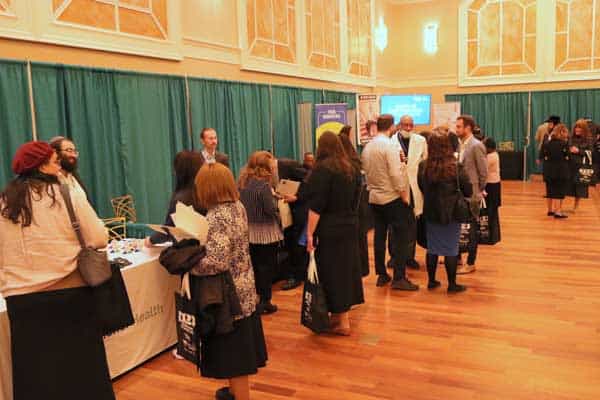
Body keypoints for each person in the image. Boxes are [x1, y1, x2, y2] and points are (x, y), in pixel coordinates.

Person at [1, 142, 113, 399]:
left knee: (35, 375)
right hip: (69, 294)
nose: (60, 166)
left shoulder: (5, 203)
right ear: (41, 166)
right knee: (83, 372)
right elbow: (98, 237)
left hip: (21, 301)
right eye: (55, 161)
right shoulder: (66, 194)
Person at [192, 162, 267, 400]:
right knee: (239, 350)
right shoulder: (238, 206)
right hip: (245, 286)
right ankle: (234, 392)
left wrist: (190, 265)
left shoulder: (216, 216)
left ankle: (241, 396)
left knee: (235, 356)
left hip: (229, 294)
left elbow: (217, 261)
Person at [306, 131, 364, 335]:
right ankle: (340, 317)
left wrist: (309, 234)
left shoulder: (322, 170)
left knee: (331, 272)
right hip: (349, 225)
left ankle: (342, 321)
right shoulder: (351, 168)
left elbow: (317, 206)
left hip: (329, 227)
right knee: (345, 271)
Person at [362, 114, 418, 290]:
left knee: (379, 236)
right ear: (392, 126)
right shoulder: (390, 145)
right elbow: (395, 174)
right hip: (391, 198)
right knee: (401, 237)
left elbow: (366, 171)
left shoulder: (368, 147)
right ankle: (399, 277)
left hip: (374, 198)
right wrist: (404, 195)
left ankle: (381, 274)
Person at [418, 130, 471, 293]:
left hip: (431, 212)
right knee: (451, 249)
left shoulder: (423, 166)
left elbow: (421, 186)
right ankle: (452, 284)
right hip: (452, 213)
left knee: (432, 248)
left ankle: (431, 281)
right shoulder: (456, 167)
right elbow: (468, 190)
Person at [239, 151, 283, 315]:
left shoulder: (243, 182)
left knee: (255, 267)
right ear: (265, 166)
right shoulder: (264, 186)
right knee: (267, 268)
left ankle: (256, 299)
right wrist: (277, 201)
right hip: (266, 233)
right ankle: (265, 301)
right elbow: (270, 210)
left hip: (249, 231)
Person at [390, 115, 428, 270]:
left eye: (411, 125)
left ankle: (409, 257)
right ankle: (394, 256)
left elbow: (425, 163)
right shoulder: (391, 141)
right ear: (399, 125)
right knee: (395, 225)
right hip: (396, 189)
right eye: (405, 125)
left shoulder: (421, 141)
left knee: (412, 225)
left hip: (415, 188)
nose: (408, 128)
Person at [145, 150, 205, 244]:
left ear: (179, 171)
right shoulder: (207, 194)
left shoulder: (180, 199)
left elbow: (169, 229)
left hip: (189, 250)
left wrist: (150, 240)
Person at [455, 115, 488, 274]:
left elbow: (483, 172)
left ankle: (471, 262)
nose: (456, 129)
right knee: (459, 226)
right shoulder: (460, 144)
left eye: (459, 127)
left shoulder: (476, 145)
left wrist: (478, 190)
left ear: (468, 128)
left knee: (472, 228)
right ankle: (457, 257)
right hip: (460, 192)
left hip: (472, 193)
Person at [339, 130, 370, 277]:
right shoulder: (355, 162)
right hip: (360, 206)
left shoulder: (344, 166)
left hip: (351, 209)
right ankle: (362, 269)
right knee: (360, 240)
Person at [540, 123, 570, 218]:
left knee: (549, 190)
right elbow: (568, 156)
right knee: (558, 191)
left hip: (548, 170)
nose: (567, 134)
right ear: (562, 132)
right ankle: (558, 212)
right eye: (566, 132)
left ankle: (550, 210)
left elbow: (542, 155)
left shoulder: (547, 143)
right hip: (560, 171)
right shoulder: (564, 144)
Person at [567, 119, 594, 211]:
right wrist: (569, 150)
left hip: (581, 165)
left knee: (579, 186)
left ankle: (576, 206)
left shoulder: (588, 139)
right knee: (569, 185)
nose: (577, 129)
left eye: (579, 128)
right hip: (570, 165)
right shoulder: (571, 138)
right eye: (576, 127)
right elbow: (566, 148)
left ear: (584, 129)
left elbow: (591, 152)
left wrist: (579, 151)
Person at [483, 137, 502, 245]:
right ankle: (492, 236)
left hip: (491, 185)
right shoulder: (494, 154)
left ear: (489, 147)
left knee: (490, 211)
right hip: (494, 184)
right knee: (492, 211)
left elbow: (483, 168)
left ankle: (491, 237)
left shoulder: (491, 157)